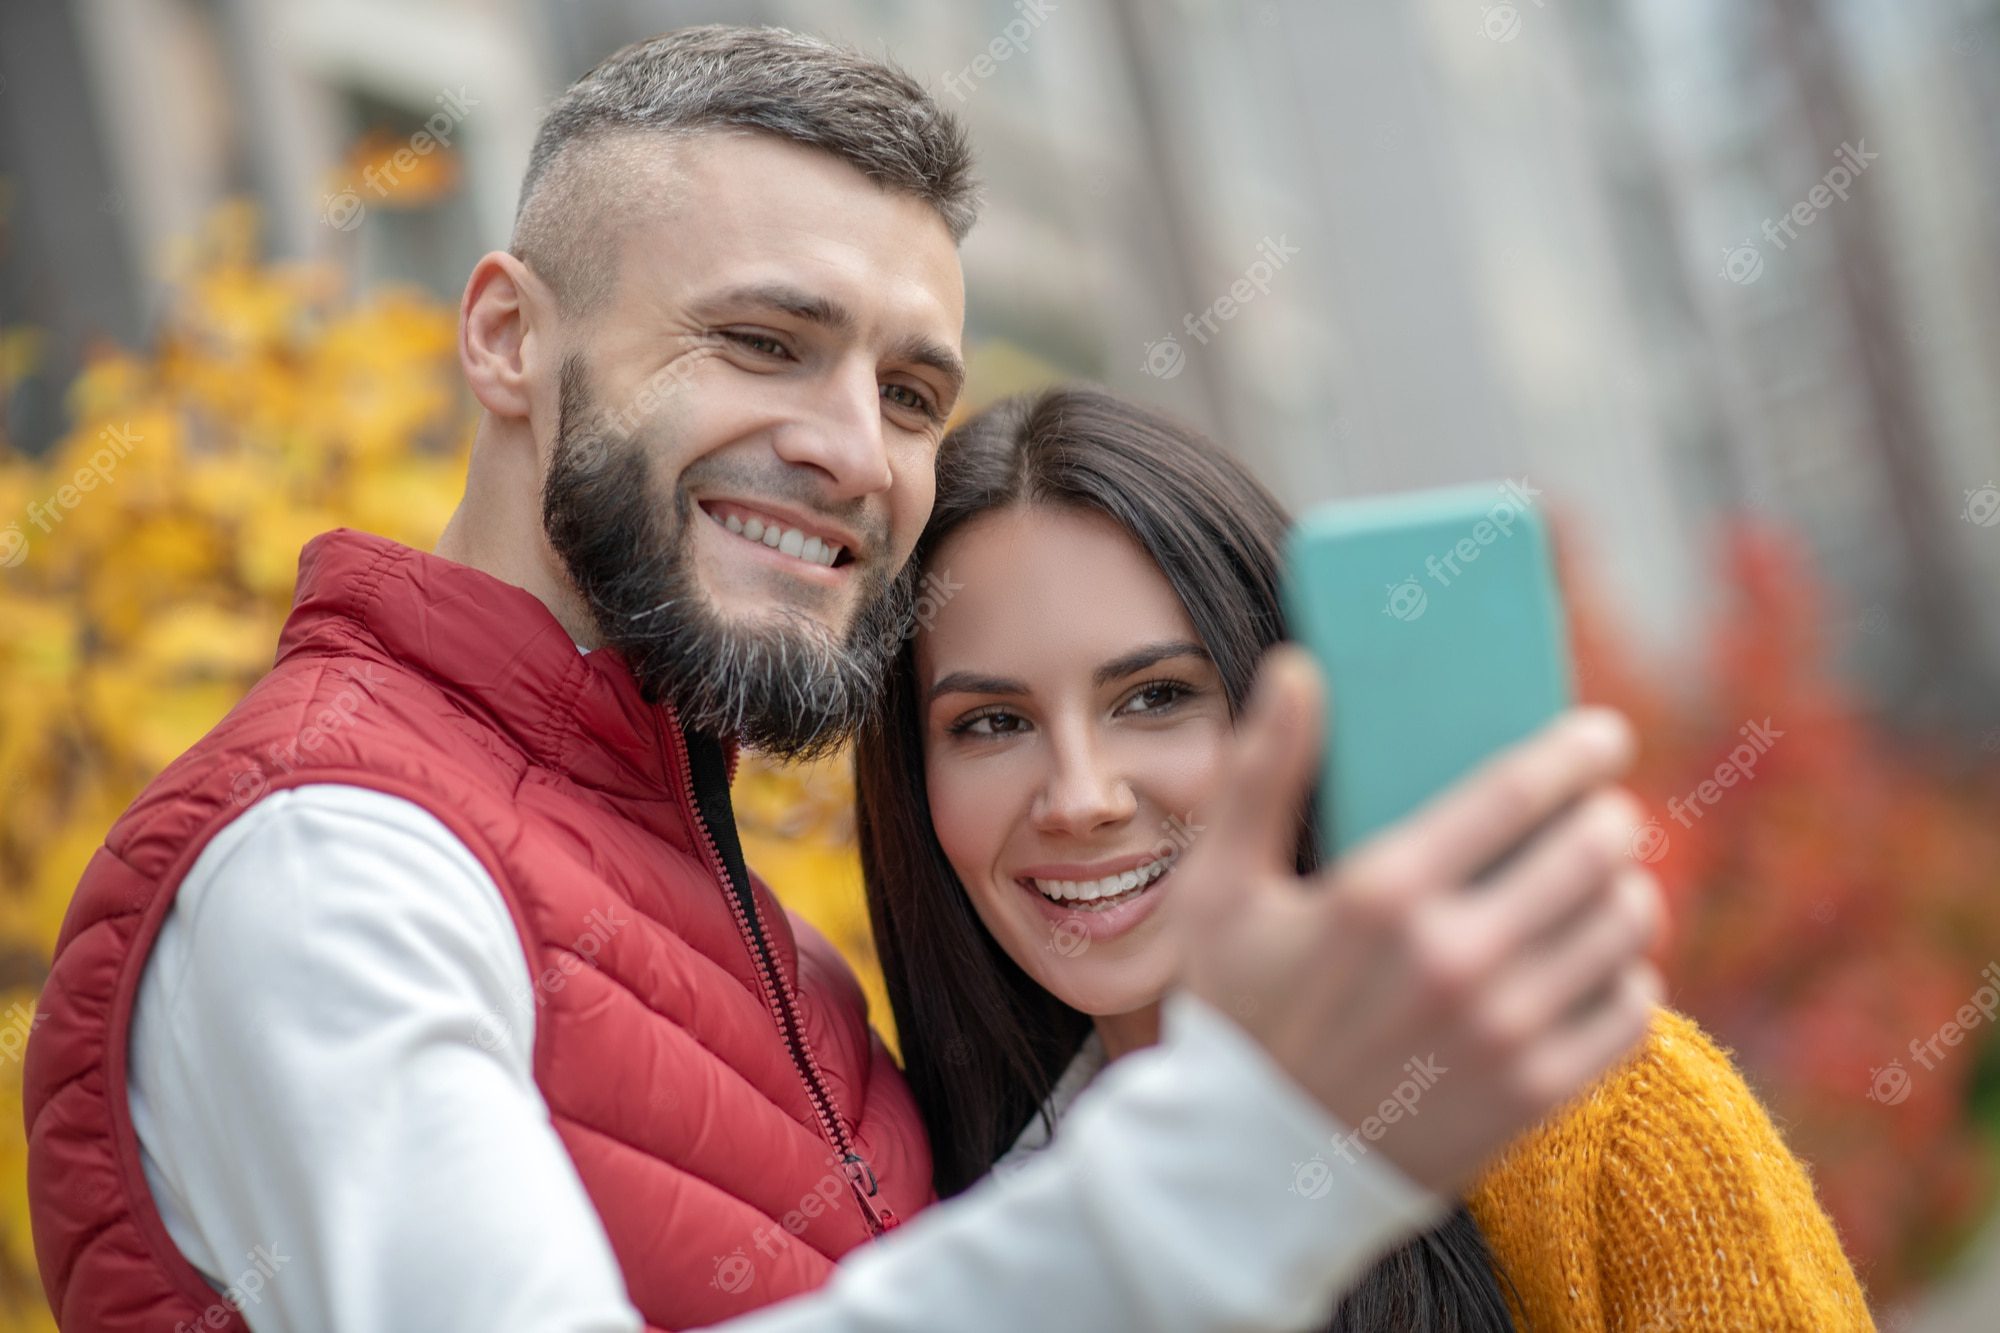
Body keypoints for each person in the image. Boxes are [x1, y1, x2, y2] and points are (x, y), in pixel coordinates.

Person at [25, 26, 1660, 1333]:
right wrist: (1248, 1141)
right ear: (509, 337)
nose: (849, 449)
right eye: (760, 343)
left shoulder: (762, 931)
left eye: (910, 387)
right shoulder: (331, 863)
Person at [854, 384, 1877, 1331]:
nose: (1080, 797)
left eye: (1156, 696)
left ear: (1288, 703)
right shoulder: (939, 1232)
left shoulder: (1616, 1128)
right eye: (990, 722)